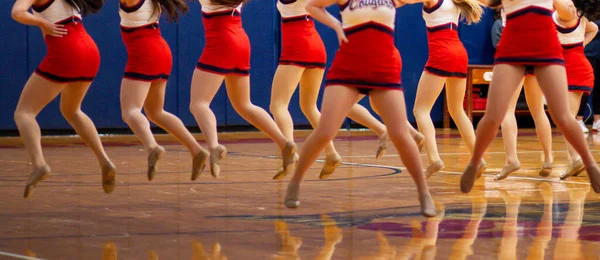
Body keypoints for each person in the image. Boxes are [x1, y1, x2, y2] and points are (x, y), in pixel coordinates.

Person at [284, 0, 437, 217]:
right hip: (347, 69)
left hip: (383, 69)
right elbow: (312, 6)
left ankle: (424, 193)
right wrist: (336, 25)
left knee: (401, 135)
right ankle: (295, 182)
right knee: (325, 132)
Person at [460, 0, 600, 193]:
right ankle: (474, 162)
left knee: (562, 116)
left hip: (546, 45)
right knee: (493, 115)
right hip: (512, 45)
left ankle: (589, 164)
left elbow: (569, 11)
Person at [270, 0, 398, 180]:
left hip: (297, 45)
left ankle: (289, 150)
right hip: (315, 46)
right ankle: (331, 154)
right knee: (309, 106)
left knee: (278, 105)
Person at [11, 0, 116, 198]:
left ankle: (39, 165)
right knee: (72, 110)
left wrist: (42, 23)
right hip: (89, 50)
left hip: (67, 50)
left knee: (24, 112)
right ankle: (105, 161)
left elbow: (17, 13)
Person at [190, 0, 297, 178]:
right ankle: (284, 142)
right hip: (240, 40)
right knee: (244, 105)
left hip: (221, 41)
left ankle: (214, 146)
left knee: (198, 103)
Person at [119, 0, 211, 181]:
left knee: (130, 111)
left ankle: (152, 146)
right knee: (156, 112)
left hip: (145, 53)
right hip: (160, 51)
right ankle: (196, 150)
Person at [402, 0, 484, 178]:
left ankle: (434, 159)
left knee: (421, 110)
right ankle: (479, 159)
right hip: (460, 53)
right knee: (457, 111)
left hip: (442, 53)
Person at [492, 8, 554, 180]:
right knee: (538, 109)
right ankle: (548, 158)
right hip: (537, 48)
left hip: (515, 48)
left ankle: (511, 159)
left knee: (507, 109)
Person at [553, 0, 599, 180]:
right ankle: (575, 159)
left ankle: (578, 159)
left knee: (566, 120)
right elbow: (593, 29)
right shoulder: (578, 12)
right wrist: (581, 45)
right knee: (566, 119)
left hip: (572, 70)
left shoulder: (568, 11)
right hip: (574, 66)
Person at [584, 20, 600, 130]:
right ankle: (579, 119)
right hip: (588, 54)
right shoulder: (586, 10)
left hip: (598, 54)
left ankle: (597, 120)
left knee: (599, 89)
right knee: (584, 88)